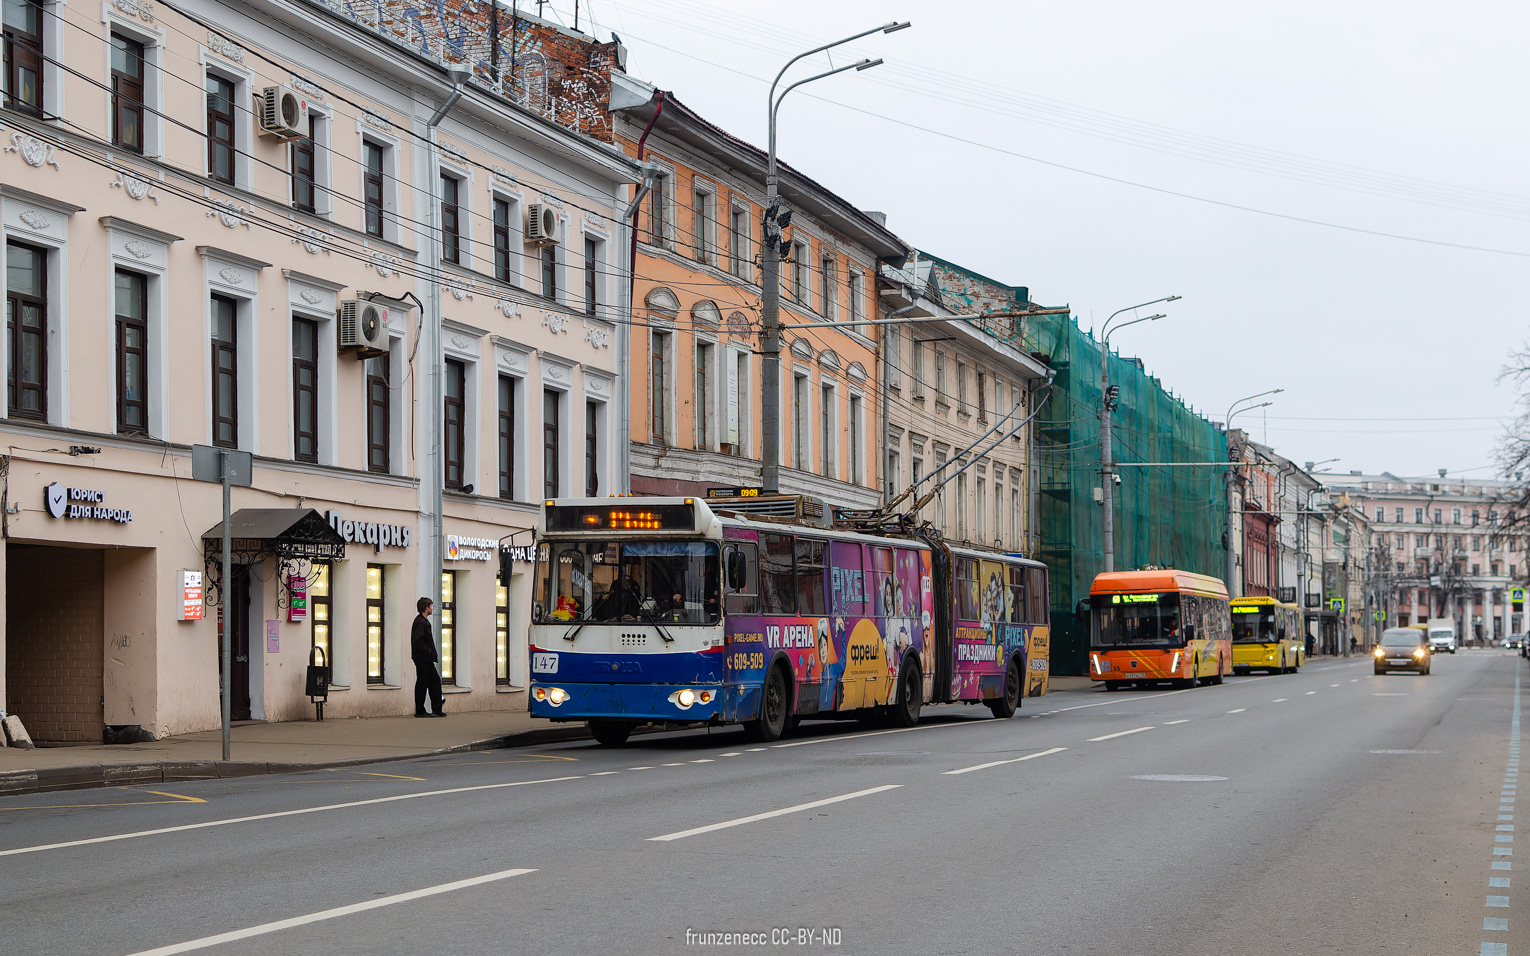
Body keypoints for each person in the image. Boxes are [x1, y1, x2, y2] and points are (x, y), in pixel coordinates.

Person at [412, 596, 445, 717]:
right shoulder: (420, 622)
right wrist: (429, 651)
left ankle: (437, 710)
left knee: (434, 682)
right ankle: (420, 711)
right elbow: (418, 641)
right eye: (431, 606)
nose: (432, 608)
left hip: (426, 658)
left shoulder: (423, 621)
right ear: (426, 608)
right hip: (423, 658)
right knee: (422, 683)